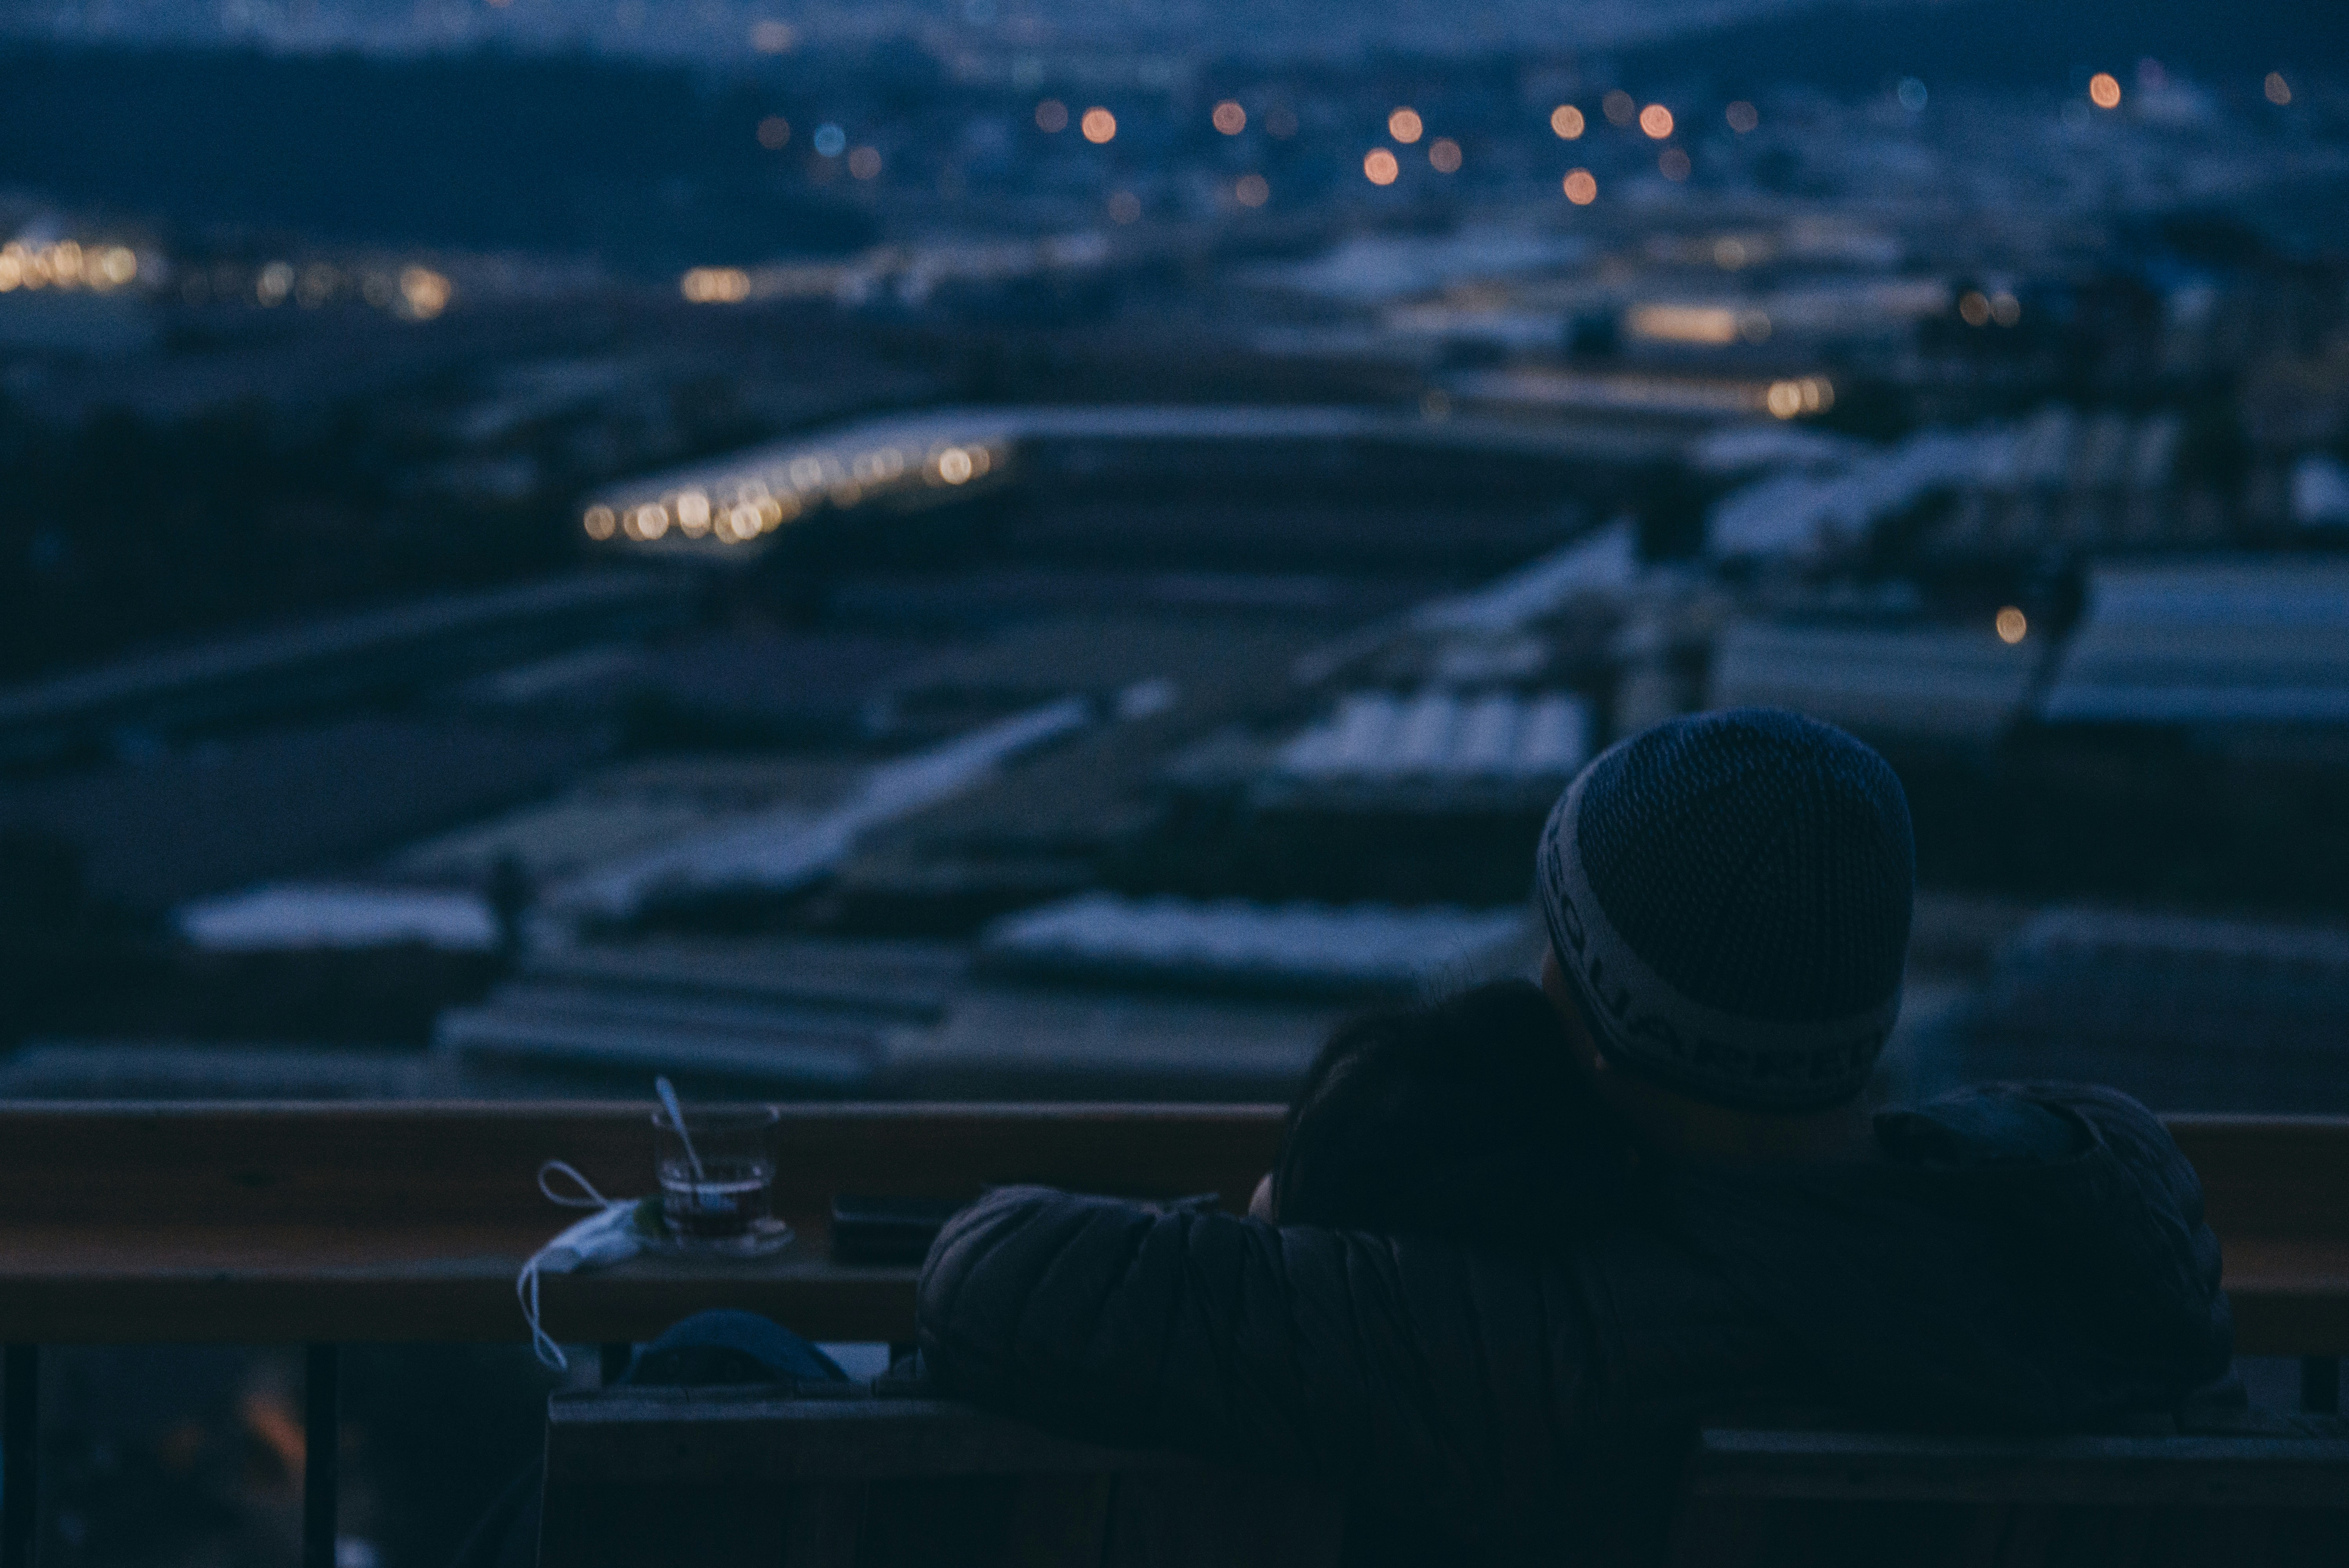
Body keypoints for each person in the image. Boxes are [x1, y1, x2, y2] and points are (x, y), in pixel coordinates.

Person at [913, 709, 2235, 1564]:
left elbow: (996, 1272)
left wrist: (1271, 1219)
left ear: (1584, 1017)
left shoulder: (1524, 1339)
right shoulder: (2097, 1231)